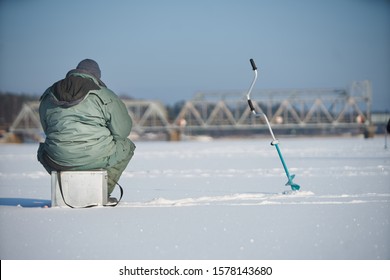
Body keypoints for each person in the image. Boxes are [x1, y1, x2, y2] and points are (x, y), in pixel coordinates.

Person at [37, 59, 135, 199]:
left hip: (57, 159)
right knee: (126, 146)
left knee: (43, 151)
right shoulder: (104, 94)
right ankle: (102, 192)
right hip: (97, 157)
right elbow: (123, 132)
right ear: (97, 76)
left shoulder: (49, 93)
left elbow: (47, 129)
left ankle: (64, 190)